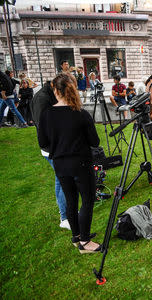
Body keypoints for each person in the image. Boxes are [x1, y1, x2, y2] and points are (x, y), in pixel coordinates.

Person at [38, 73, 101, 253]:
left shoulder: (47, 114)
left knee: (72, 201)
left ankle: (77, 236)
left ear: (56, 91)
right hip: (80, 163)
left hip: (61, 164)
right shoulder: (80, 114)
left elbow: (43, 143)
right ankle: (85, 241)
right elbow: (94, 141)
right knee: (87, 201)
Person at [29, 80, 70, 230]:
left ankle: (66, 213)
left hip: (54, 147)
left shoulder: (46, 95)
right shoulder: (42, 99)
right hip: (52, 149)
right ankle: (65, 217)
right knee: (64, 180)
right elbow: (44, 127)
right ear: (56, 88)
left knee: (60, 180)